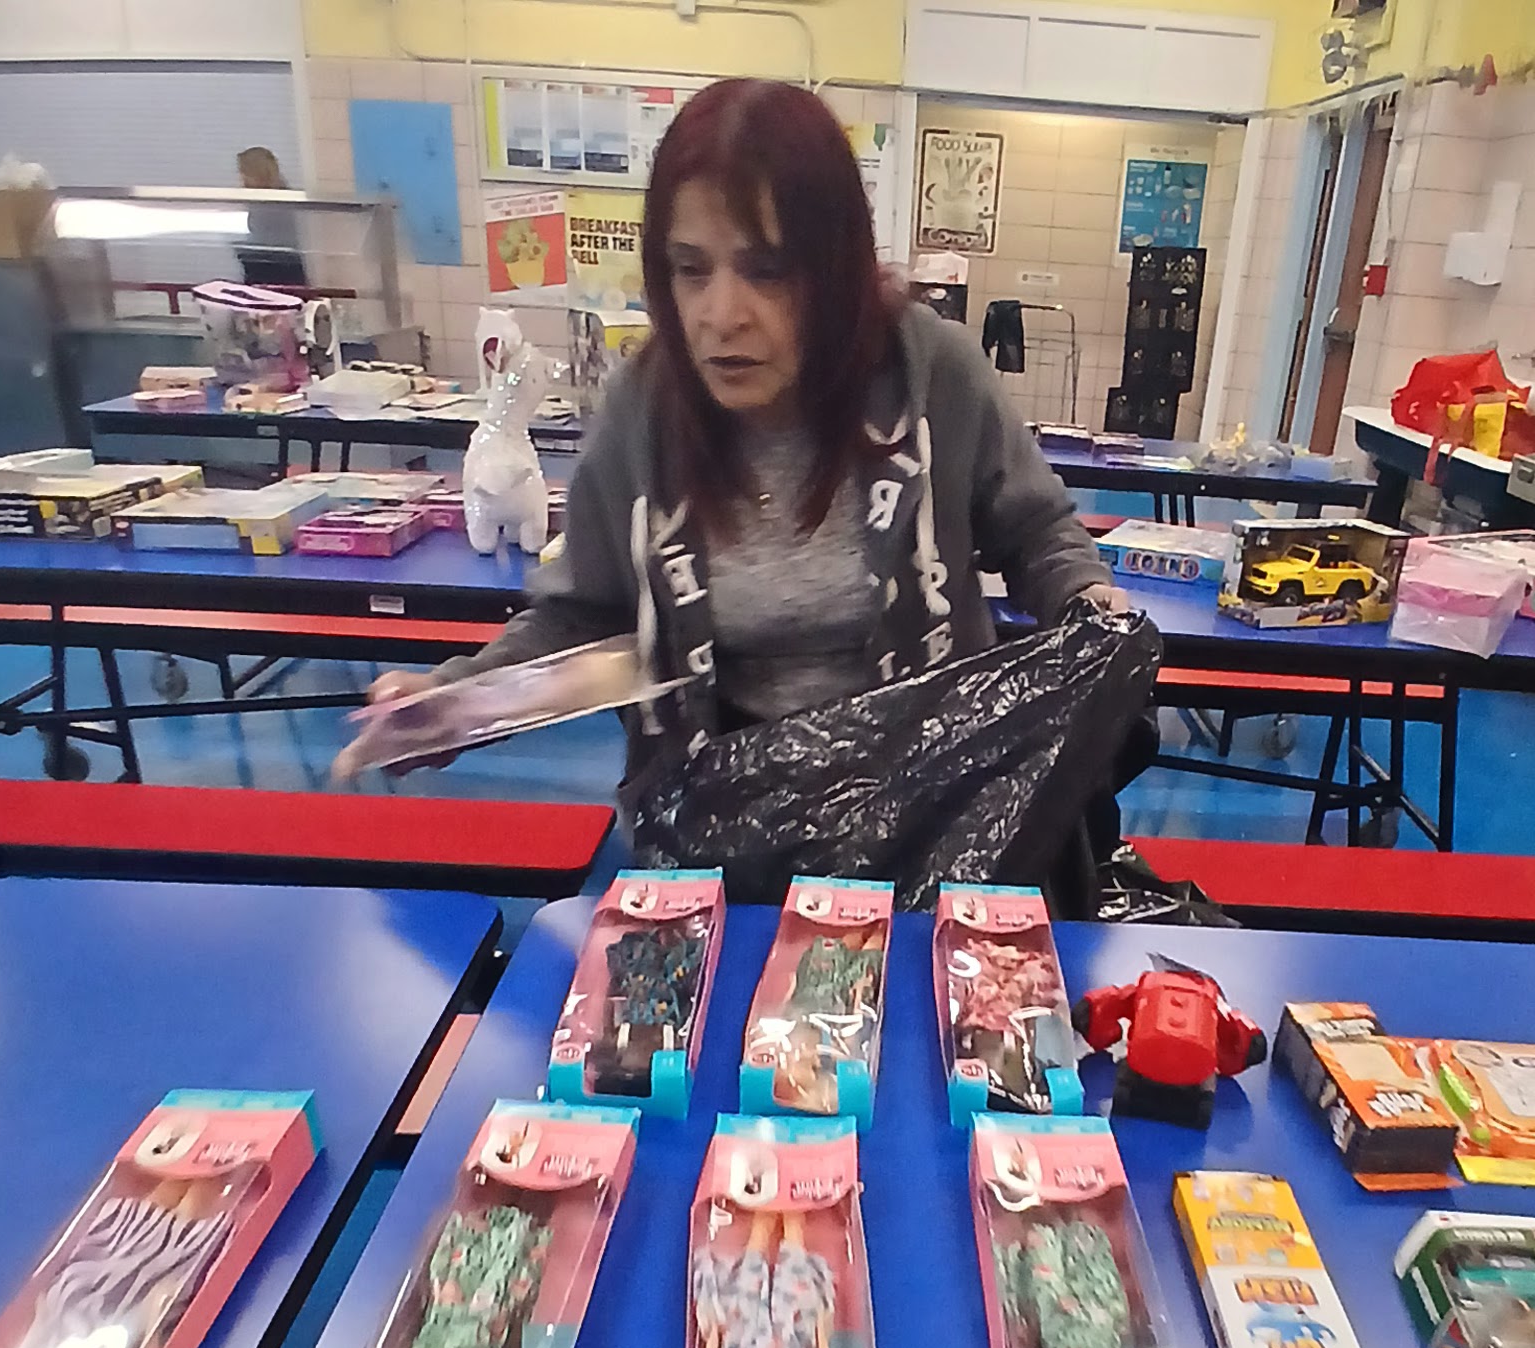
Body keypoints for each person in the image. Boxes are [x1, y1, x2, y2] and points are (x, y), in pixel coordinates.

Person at [368, 78, 1129, 850]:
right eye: (691, 269)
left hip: (933, 817)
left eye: (767, 271)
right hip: (714, 830)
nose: (721, 314)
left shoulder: (933, 373)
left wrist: (1087, 597)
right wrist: (451, 705)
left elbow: (1038, 533)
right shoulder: (643, 410)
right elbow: (584, 613)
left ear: (834, 269)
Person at [235, 145, 310, 290]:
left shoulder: (274, 202)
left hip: (275, 272)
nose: (241, 177)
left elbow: (269, 240)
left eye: (243, 172)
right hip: (279, 270)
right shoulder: (274, 197)